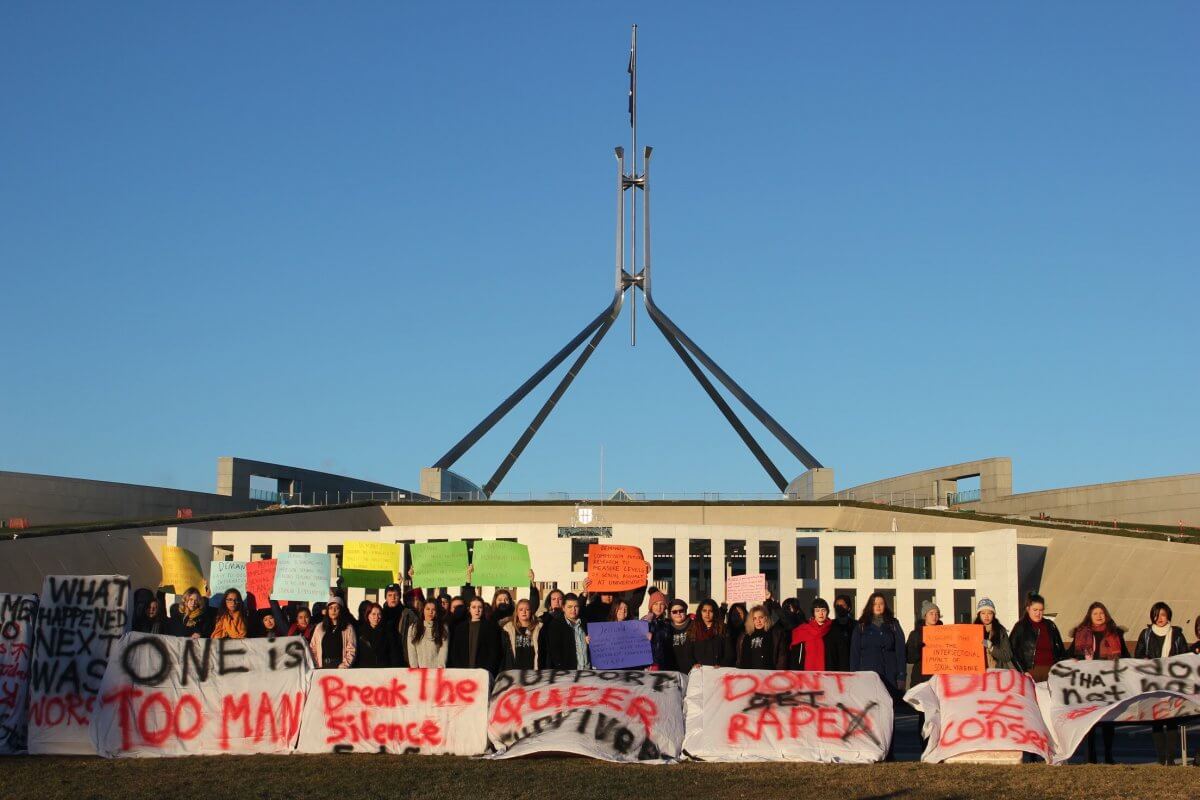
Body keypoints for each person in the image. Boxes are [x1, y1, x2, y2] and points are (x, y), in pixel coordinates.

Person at [1069, 601, 1128, 765]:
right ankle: (1090, 756)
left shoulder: (1115, 633)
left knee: (1109, 720)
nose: (1099, 616)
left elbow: (1125, 656)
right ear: (1090, 616)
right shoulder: (1081, 633)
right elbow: (1071, 654)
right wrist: (1073, 660)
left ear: (1106, 614)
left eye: (1101, 613)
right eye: (1095, 613)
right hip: (1089, 682)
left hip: (1108, 682)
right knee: (1089, 719)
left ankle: (1109, 755)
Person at [1135, 602, 1190, 765]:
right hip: (1153, 683)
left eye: (1163, 615)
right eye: (1157, 615)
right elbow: (1138, 655)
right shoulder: (1146, 634)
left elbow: (1184, 656)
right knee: (1157, 720)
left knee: (1172, 719)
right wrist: (1143, 659)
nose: (1160, 618)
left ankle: (1171, 758)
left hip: (1172, 682)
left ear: (1169, 616)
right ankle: (1160, 758)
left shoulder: (1177, 634)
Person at [1009, 593, 1066, 682]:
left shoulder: (1050, 625)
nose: (1038, 613)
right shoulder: (1020, 627)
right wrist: (1023, 670)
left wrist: (1064, 665)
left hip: (1052, 671)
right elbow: (1011, 649)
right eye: (1035, 610)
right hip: (1031, 671)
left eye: (1041, 610)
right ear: (1028, 609)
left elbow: (1060, 649)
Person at [448, 596, 502, 676]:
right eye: (474, 607)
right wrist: (459, 670)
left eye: (480, 607)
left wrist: (487, 671)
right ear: (469, 609)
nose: (477, 610)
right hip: (463, 672)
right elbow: (455, 651)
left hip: (483, 673)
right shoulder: (460, 628)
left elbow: (494, 652)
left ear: (483, 609)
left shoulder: (491, 628)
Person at [790, 598, 841, 670]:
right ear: (813, 613)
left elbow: (839, 655)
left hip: (829, 675)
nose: (821, 613)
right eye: (817, 611)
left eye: (823, 610)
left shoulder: (834, 630)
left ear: (827, 612)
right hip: (807, 675)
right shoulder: (803, 630)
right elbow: (796, 657)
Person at [542, 594, 590, 669]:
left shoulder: (586, 623)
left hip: (588, 672)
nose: (573, 610)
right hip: (568, 674)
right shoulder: (555, 626)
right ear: (563, 608)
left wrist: (592, 642)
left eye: (576, 606)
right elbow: (554, 652)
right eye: (570, 607)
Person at [310, 595, 356, 669]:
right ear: (327, 610)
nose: (333, 611)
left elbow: (351, 649)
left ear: (341, 610)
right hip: (322, 666)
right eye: (330, 608)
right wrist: (316, 664)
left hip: (340, 667)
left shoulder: (348, 628)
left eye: (336, 608)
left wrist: (345, 665)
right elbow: (313, 648)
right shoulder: (319, 627)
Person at [736, 605, 787, 670]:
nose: (758, 621)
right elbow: (739, 659)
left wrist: (778, 675)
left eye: (761, 617)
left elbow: (782, 658)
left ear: (766, 618)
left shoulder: (775, 634)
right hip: (748, 676)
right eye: (754, 618)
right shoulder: (744, 636)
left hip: (769, 675)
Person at [906, 602, 943, 688]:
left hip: (939, 678)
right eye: (931, 613)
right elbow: (909, 658)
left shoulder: (945, 633)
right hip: (920, 677)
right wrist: (919, 649)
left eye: (937, 614)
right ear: (925, 615)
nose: (934, 616)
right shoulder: (916, 634)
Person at [687, 599, 733, 668]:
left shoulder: (722, 628)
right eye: (704, 611)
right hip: (700, 670)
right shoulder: (694, 628)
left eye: (710, 611)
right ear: (700, 612)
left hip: (718, 670)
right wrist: (693, 663)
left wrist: (722, 664)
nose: (707, 614)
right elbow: (688, 652)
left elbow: (729, 653)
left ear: (715, 612)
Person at [355, 602, 400, 668]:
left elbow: (393, 653)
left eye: (379, 614)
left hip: (383, 670)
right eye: (373, 614)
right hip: (365, 670)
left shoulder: (387, 632)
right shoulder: (360, 633)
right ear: (368, 615)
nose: (376, 617)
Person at [974, 598, 1015, 669]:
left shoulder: (1000, 631)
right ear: (979, 615)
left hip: (998, 673)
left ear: (993, 614)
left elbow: (1008, 655)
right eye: (983, 613)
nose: (986, 616)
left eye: (989, 613)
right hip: (979, 673)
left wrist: (992, 648)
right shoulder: (972, 631)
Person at [501, 599, 542, 670]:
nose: (524, 612)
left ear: (531, 611)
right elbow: (504, 653)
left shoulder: (538, 628)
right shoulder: (508, 629)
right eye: (521, 609)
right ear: (516, 612)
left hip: (533, 670)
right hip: (514, 670)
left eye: (527, 609)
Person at [407, 599, 448, 668]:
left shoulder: (443, 628)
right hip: (419, 671)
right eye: (428, 609)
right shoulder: (413, 628)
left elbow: (443, 650)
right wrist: (415, 668)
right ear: (423, 610)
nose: (430, 612)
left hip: (436, 671)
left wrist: (440, 668)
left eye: (433, 609)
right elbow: (411, 651)